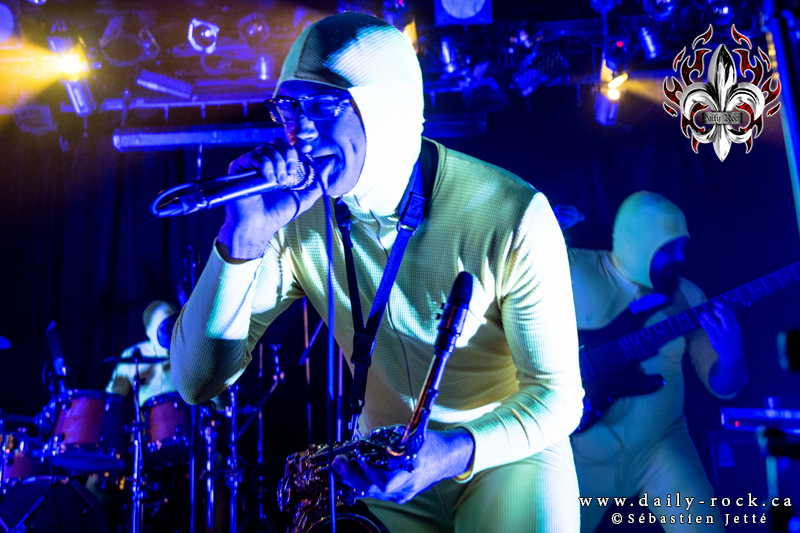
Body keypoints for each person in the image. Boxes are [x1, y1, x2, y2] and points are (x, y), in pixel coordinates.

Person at [171, 12, 584, 532]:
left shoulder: (513, 213)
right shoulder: (293, 216)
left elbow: (558, 397)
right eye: (289, 107)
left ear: (383, 110)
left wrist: (451, 452)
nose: (298, 132)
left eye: (323, 105)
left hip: (504, 457)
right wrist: (243, 236)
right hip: (384, 467)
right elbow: (195, 382)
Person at [564, 192, 747, 532]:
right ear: (640, 241)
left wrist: (732, 355)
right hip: (579, 453)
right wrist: (538, 231)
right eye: (668, 248)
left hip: (662, 447)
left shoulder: (687, 296)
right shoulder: (570, 268)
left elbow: (723, 386)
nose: (680, 257)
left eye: (681, 246)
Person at [107, 300, 178, 405]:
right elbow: (114, 396)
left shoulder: (190, 352)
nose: (174, 331)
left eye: (176, 325)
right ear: (152, 332)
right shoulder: (132, 354)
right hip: (146, 415)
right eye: (167, 327)